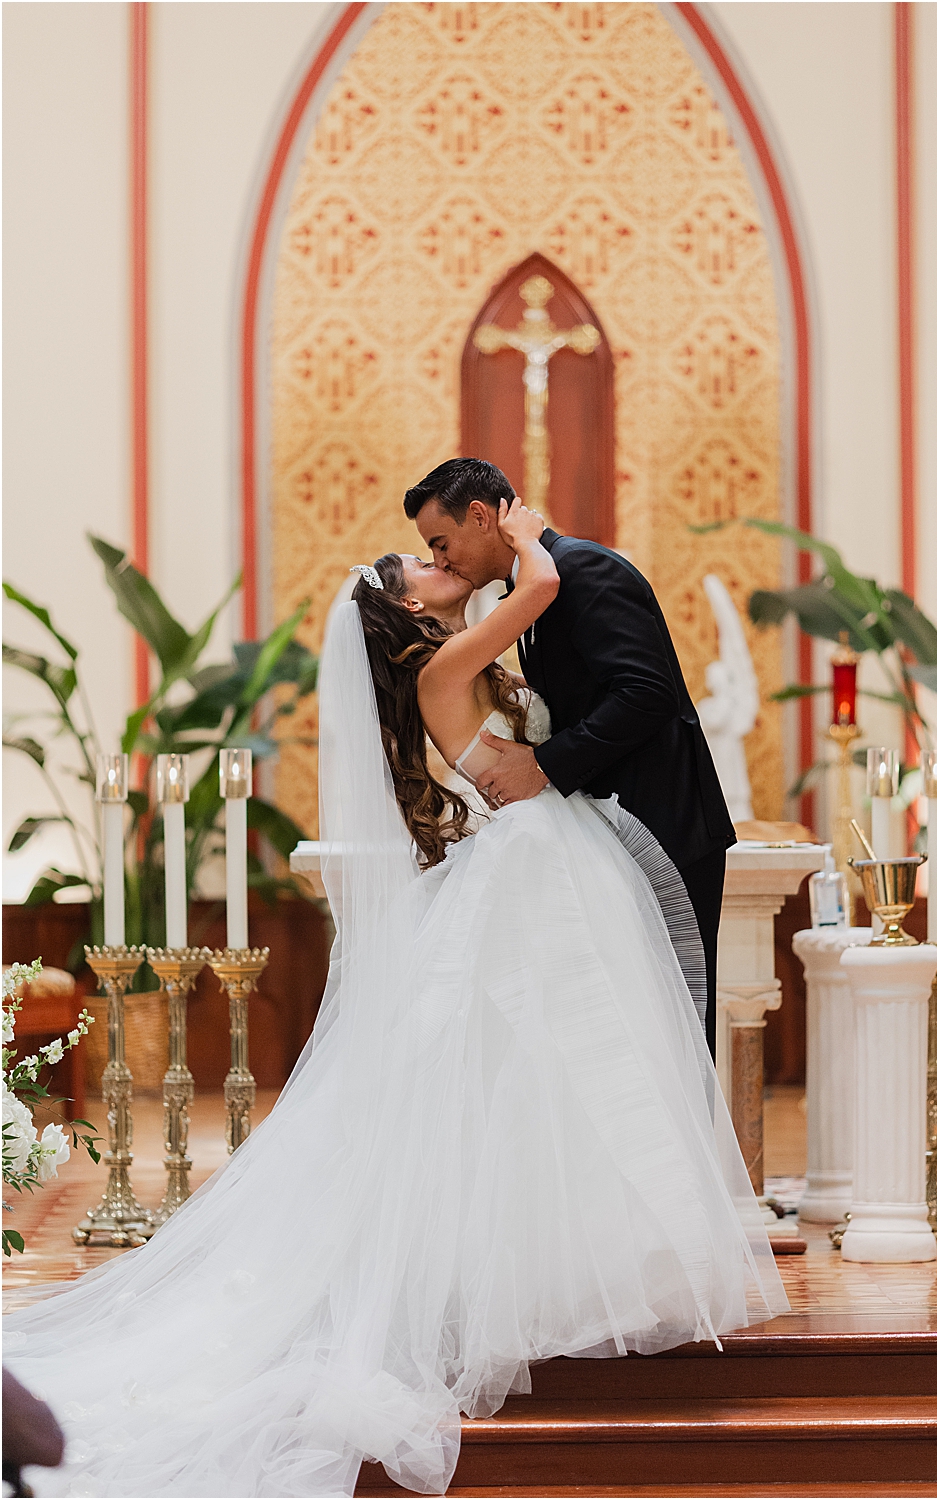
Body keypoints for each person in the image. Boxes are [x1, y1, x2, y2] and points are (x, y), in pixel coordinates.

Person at [2, 500, 785, 1497]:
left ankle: (569, 1272)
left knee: (545, 1076)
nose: (435, 565)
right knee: (552, 1069)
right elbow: (539, 585)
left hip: (534, 865)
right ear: (399, 614)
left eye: (434, 549)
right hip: (528, 872)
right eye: (418, 567)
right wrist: (527, 530)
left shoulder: (454, 660)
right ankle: (537, 1283)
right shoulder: (438, 667)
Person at [405, 458, 737, 1058]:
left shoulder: (586, 571)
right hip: (603, 835)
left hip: (663, 823)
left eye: (440, 542)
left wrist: (543, 766)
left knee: (676, 1024)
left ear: (479, 516)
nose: (442, 559)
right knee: (627, 1029)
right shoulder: (530, 590)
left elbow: (647, 693)